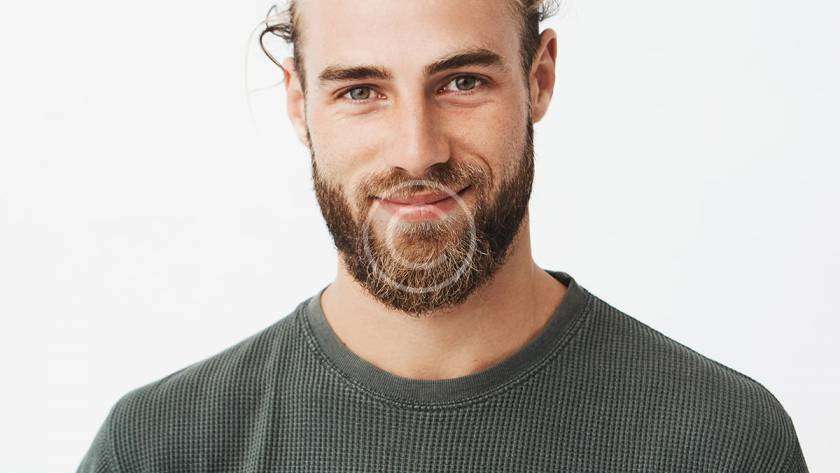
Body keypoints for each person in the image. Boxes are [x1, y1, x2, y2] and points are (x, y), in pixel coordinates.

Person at [77, 0, 809, 471]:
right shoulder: (159, 447)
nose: (417, 151)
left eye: (461, 82)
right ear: (299, 103)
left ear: (539, 78)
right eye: (360, 90)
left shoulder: (719, 440)